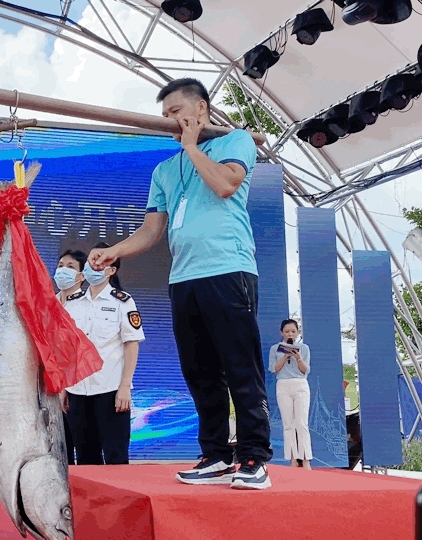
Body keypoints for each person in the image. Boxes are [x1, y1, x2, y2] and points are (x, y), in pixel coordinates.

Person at [89, 77, 272, 489]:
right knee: (199, 371)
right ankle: (215, 455)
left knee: (240, 367)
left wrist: (191, 147)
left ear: (200, 108)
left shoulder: (236, 141)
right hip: (184, 278)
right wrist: (115, 250)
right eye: (165, 115)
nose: (170, 120)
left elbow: (226, 185)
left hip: (228, 269)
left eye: (176, 111)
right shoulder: (164, 170)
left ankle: (254, 457)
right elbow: (151, 229)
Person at [63, 243, 143, 465]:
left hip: (110, 390)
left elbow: (131, 344)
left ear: (111, 270)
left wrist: (125, 387)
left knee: (116, 458)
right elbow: (67, 348)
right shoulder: (73, 302)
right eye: (91, 262)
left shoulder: (122, 301)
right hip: (77, 390)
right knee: (86, 459)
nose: (94, 267)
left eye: (100, 263)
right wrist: (64, 387)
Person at [54, 249, 88, 465]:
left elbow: (79, 351)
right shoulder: (47, 303)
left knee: (83, 447)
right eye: (60, 266)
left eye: (70, 267)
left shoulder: (87, 305)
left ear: (81, 276)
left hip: (78, 387)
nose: (62, 271)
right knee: (57, 450)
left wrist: (65, 388)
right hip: (48, 385)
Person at [270, 319, 312, 469]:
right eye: (287, 331)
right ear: (281, 332)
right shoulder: (275, 349)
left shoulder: (304, 348)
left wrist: (298, 358)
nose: (290, 334)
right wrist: (285, 356)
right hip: (283, 385)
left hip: (300, 384)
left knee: (302, 423)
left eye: (293, 331)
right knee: (288, 424)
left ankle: (306, 459)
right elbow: (274, 369)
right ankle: (292, 458)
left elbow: (305, 370)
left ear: (298, 333)